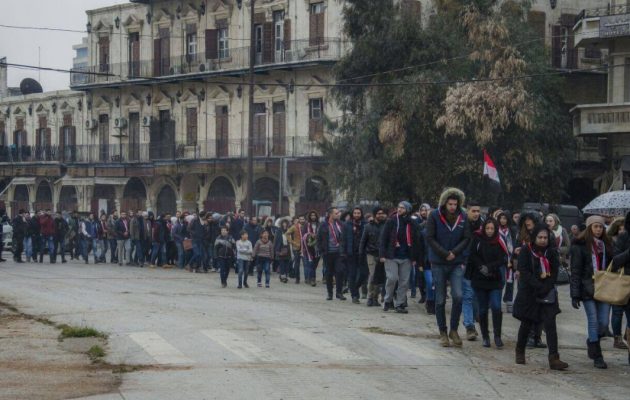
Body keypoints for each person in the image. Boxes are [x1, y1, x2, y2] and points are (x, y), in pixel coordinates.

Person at [513, 224, 568, 370]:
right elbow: (524, 271)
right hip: (530, 292)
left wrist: (547, 286)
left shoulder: (551, 252)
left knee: (550, 325)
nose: (543, 240)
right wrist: (538, 285)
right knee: (527, 323)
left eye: (545, 237)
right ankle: (520, 350)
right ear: (534, 238)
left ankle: (554, 358)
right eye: (540, 237)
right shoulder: (526, 251)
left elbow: (555, 272)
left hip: (547, 292)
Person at [426, 188, 471, 347]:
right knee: (440, 299)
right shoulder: (434, 215)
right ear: (445, 203)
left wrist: (454, 253)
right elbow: (430, 237)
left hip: (456, 262)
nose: (452, 206)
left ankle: (454, 329)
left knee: (458, 296)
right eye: (450, 204)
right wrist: (445, 253)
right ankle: (443, 332)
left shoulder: (463, 216)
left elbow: (467, 238)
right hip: (438, 262)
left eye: (455, 204)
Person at [570, 215, 612, 369]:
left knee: (604, 323)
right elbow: (575, 271)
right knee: (593, 321)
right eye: (595, 226)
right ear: (589, 228)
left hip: (604, 287)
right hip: (587, 287)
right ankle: (597, 354)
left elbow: (614, 264)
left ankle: (592, 341)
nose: (598, 229)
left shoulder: (607, 245)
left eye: (601, 227)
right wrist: (575, 294)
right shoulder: (580, 246)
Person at [467, 219, 507, 348]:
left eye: (492, 228)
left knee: (496, 306)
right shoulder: (477, 239)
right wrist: (481, 267)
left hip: (494, 279)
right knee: (483, 309)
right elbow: (472, 255)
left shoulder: (499, 240)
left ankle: (497, 335)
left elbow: (503, 259)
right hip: (480, 279)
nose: (489, 231)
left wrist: (489, 267)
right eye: (487, 228)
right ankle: (485, 336)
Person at [379, 201, 422, 313]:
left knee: (404, 282)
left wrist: (415, 258)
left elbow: (417, 241)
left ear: (407, 209)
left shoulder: (412, 223)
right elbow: (383, 239)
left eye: (402, 208)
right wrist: (382, 254)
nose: (399, 209)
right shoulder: (391, 221)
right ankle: (387, 300)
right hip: (391, 255)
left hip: (406, 256)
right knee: (392, 278)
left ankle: (400, 304)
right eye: (399, 207)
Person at [463, 202, 483, 341]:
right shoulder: (462, 224)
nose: (476, 213)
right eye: (473, 211)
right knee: (468, 295)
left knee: (477, 296)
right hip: (465, 264)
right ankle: (469, 326)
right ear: (468, 211)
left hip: (479, 265)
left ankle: (476, 318)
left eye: (478, 211)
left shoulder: (484, 225)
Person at [360, 207, 387, 307]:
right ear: (375, 214)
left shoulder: (386, 225)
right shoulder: (368, 226)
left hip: (383, 255)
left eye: (382, 213)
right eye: (379, 213)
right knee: (372, 276)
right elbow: (363, 241)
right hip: (371, 254)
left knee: (379, 278)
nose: (381, 215)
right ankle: (370, 297)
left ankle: (376, 298)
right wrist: (361, 254)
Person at [318, 207, 346, 300]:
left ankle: (339, 292)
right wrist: (321, 251)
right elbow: (319, 239)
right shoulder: (323, 226)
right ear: (331, 214)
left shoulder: (341, 224)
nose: (338, 214)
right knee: (329, 273)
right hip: (328, 253)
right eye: (336, 213)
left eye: (338, 213)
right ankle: (330, 293)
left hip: (338, 253)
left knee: (340, 271)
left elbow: (344, 238)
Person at [344, 207, 368, 304]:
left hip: (363, 253)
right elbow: (343, 239)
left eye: (358, 213)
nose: (357, 215)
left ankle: (354, 287)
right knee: (352, 275)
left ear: (361, 214)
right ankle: (354, 295)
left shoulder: (366, 224)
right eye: (355, 213)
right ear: (352, 214)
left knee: (364, 274)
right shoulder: (347, 225)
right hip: (351, 253)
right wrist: (343, 252)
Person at [497, 212, 517, 313]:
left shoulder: (512, 230)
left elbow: (515, 243)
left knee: (510, 281)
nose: (502, 220)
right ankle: (497, 302)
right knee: (500, 281)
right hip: (500, 259)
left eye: (505, 218)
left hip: (510, 259)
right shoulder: (496, 230)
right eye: (501, 218)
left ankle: (509, 301)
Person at [302, 211, 320, 287]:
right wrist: (310, 235)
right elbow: (303, 235)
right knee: (311, 264)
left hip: (317, 247)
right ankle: (313, 279)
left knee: (315, 264)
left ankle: (310, 277)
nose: (313, 217)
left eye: (314, 215)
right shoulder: (306, 224)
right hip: (309, 247)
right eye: (312, 215)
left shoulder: (319, 224)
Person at [286, 216, 304, 284]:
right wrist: (292, 242)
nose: (298, 221)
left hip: (304, 247)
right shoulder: (294, 227)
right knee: (297, 263)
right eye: (297, 220)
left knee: (306, 263)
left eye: (299, 220)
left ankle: (308, 278)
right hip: (296, 247)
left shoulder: (304, 226)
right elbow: (287, 234)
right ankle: (297, 278)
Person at [275, 219, 292, 283]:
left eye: (286, 223)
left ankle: (285, 275)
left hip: (288, 249)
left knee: (287, 263)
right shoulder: (279, 230)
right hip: (281, 249)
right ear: (281, 224)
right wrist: (277, 250)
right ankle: (282, 276)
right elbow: (276, 240)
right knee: (282, 263)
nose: (284, 224)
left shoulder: (289, 230)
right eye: (283, 223)